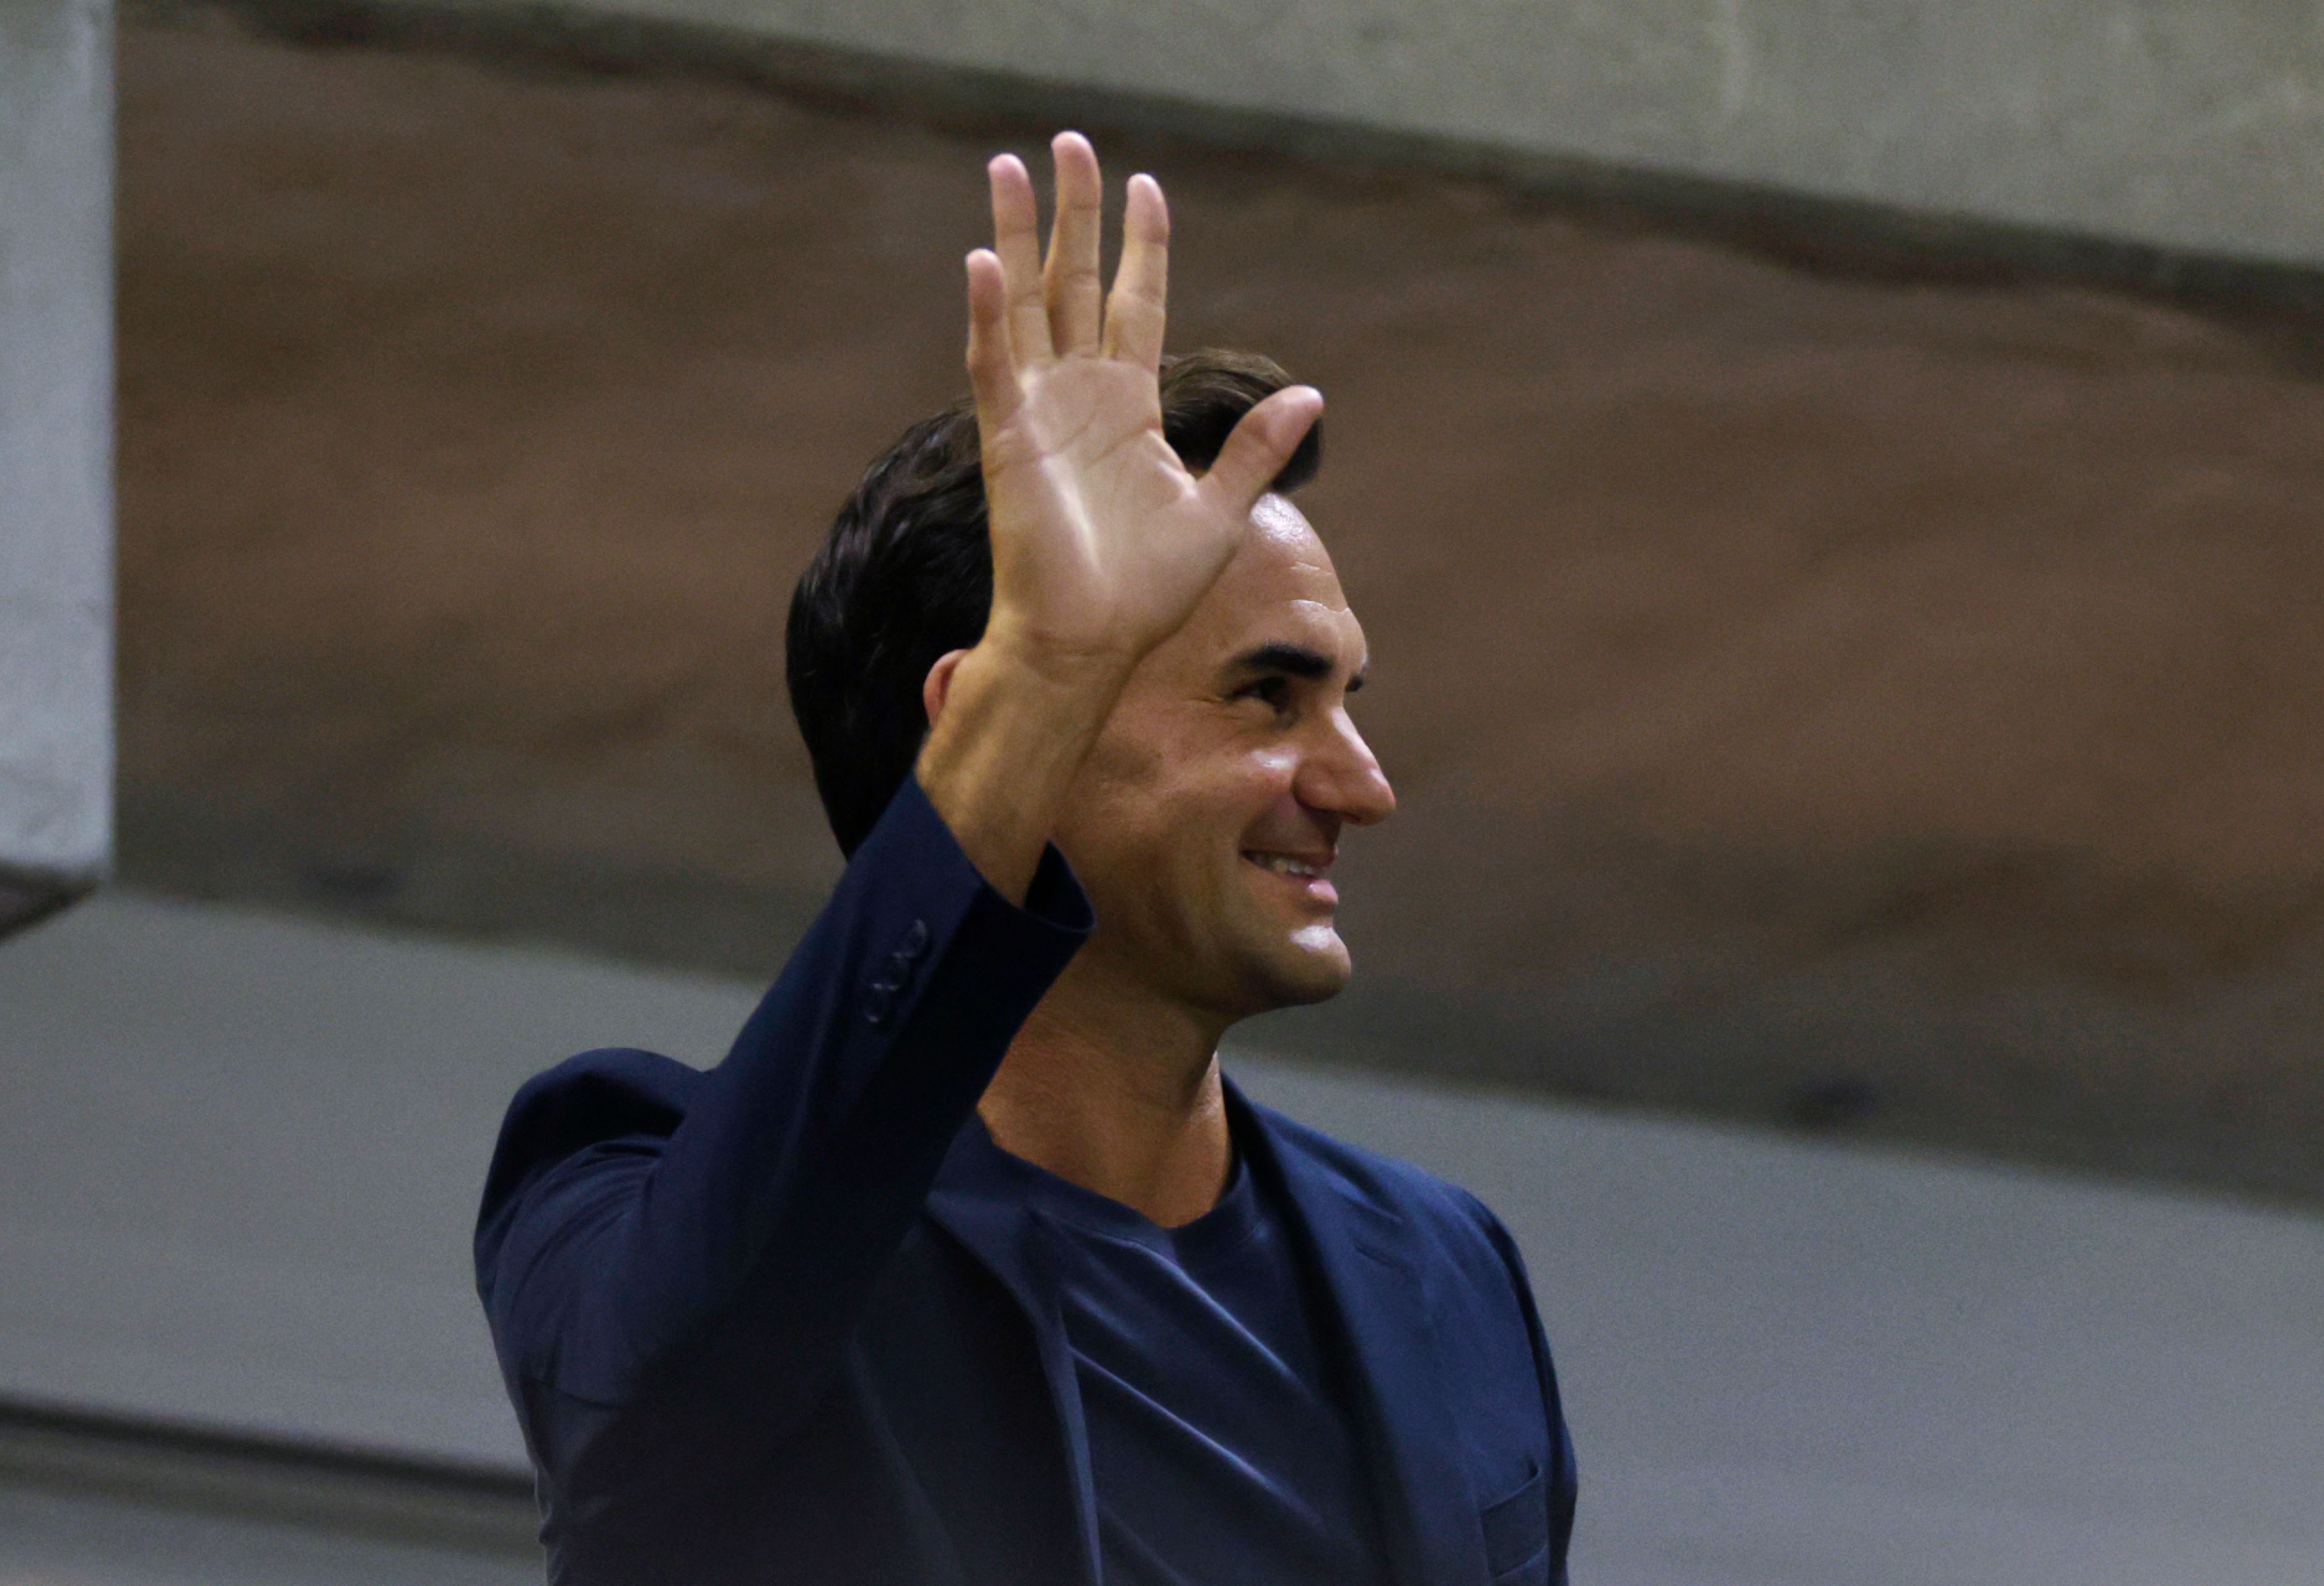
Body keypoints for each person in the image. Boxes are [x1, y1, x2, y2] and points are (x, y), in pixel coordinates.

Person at [475, 130, 1574, 1586]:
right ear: (1000, 721)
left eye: (1346, 703)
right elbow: (654, 1392)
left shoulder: (1448, 1274)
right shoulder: (628, 1186)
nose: (1359, 787)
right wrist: (1050, 665)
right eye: (1267, 695)